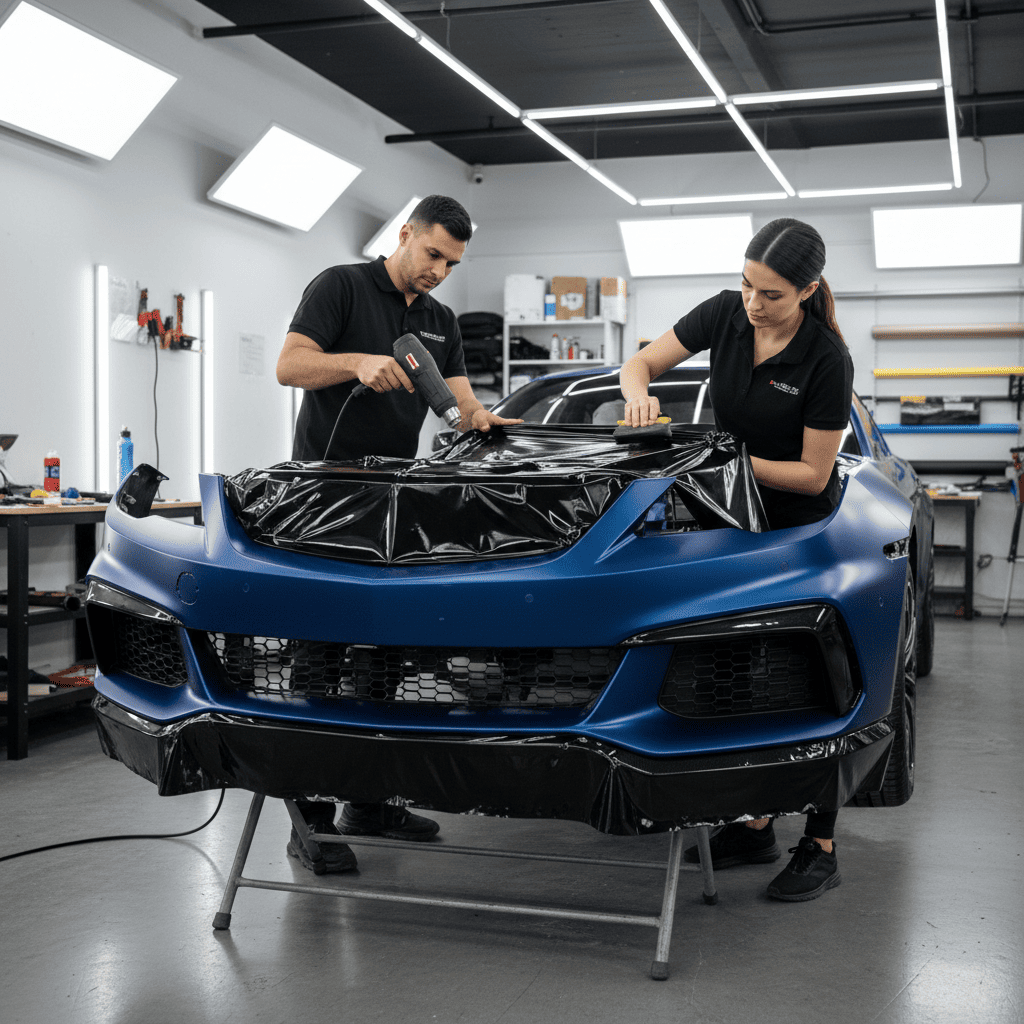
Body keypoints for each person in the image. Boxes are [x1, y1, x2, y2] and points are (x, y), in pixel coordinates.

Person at [275, 194, 521, 873]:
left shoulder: (440, 321)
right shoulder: (341, 286)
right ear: (406, 234)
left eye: (452, 262)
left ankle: (370, 799)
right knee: (319, 658)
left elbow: (462, 401)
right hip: (323, 498)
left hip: (392, 502)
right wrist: (354, 363)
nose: (439, 271)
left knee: (385, 653)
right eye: (432, 253)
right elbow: (290, 365)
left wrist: (488, 421)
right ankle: (311, 821)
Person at [619, 218, 854, 902]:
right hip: (733, 525)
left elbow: (813, 476)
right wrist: (639, 394)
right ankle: (754, 823)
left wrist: (716, 459)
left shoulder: (825, 359)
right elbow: (639, 362)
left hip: (802, 535)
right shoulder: (725, 312)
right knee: (740, 674)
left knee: (812, 684)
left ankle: (821, 842)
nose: (753, 302)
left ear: (807, 292)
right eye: (747, 284)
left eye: (772, 294)